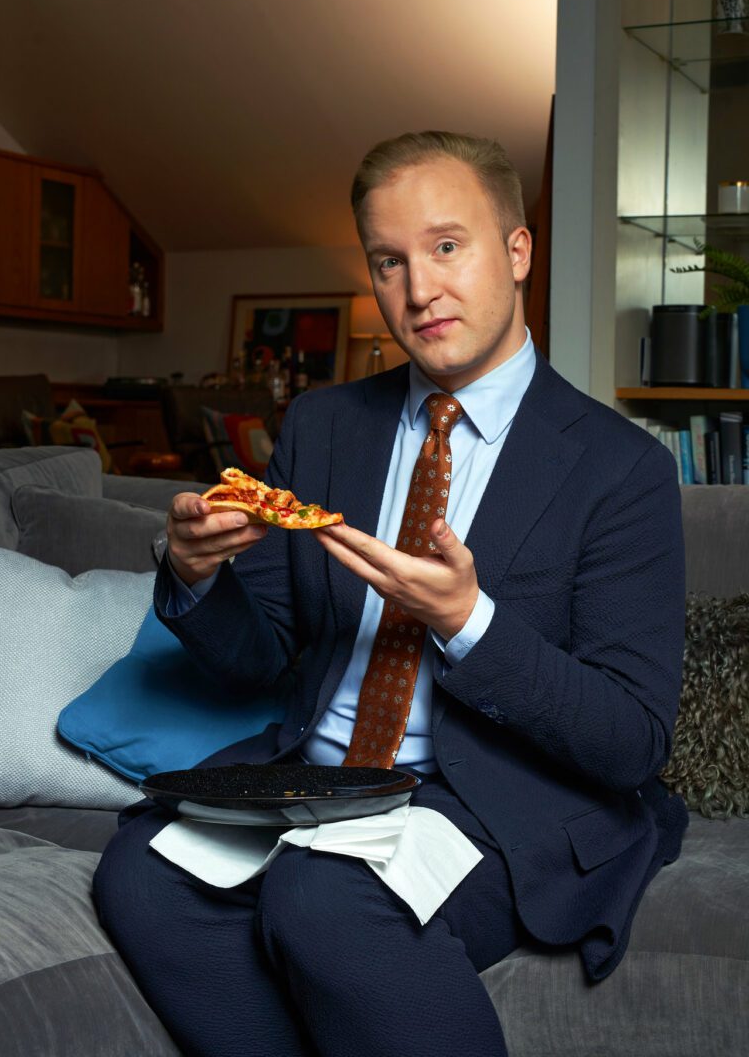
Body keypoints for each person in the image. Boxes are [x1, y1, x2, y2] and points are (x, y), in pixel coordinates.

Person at [93, 131, 687, 1057]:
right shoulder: (327, 424)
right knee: (140, 877)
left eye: (449, 247)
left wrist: (467, 621)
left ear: (518, 251)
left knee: (321, 897)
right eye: (389, 260)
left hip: (484, 797)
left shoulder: (623, 469)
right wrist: (195, 573)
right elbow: (262, 652)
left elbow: (631, 738)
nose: (420, 290)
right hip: (315, 775)